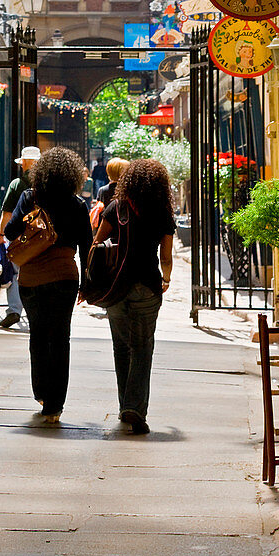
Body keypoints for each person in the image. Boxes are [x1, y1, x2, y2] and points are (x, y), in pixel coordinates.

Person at [4, 146, 92, 424]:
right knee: (60, 339)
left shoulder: (30, 197)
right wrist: (88, 284)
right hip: (65, 276)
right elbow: (87, 245)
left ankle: (41, 392)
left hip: (31, 277)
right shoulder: (77, 204)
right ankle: (55, 404)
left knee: (38, 336)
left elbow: (9, 231)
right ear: (73, 176)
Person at [93, 158, 175, 435]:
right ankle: (135, 407)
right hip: (147, 286)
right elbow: (166, 255)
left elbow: (96, 243)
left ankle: (124, 405)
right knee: (142, 347)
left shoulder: (117, 207)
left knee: (120, 347)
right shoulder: (162, 211)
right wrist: (166, 278)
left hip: (117, 286)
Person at [0, 145, 41, 328]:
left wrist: (1, 235)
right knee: (38, 272)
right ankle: (36, 311)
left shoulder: (16, 184)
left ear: (24, 163)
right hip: (41, 237)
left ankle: (14, 310)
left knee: (15, 273)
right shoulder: (47, 183)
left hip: (19, 237)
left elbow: (7, 213)